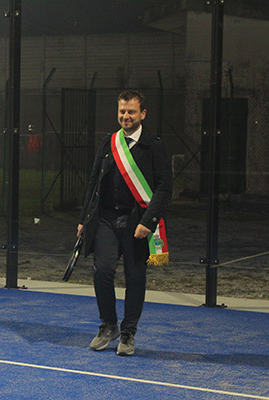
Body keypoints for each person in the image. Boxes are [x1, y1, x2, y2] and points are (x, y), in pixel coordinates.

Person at [77, 90, 172, 356]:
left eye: (131, 111)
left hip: (136, 223)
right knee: (102, 270)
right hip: (106, 219)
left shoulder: (154, 146)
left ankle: (128, 332)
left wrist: (148, 222)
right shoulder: (108, 143)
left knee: (135, 277)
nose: (126, 116)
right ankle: (108, 325)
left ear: (143, 114)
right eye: (122, 111)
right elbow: (94, 182)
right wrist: (84, 219)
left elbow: (164, 188)